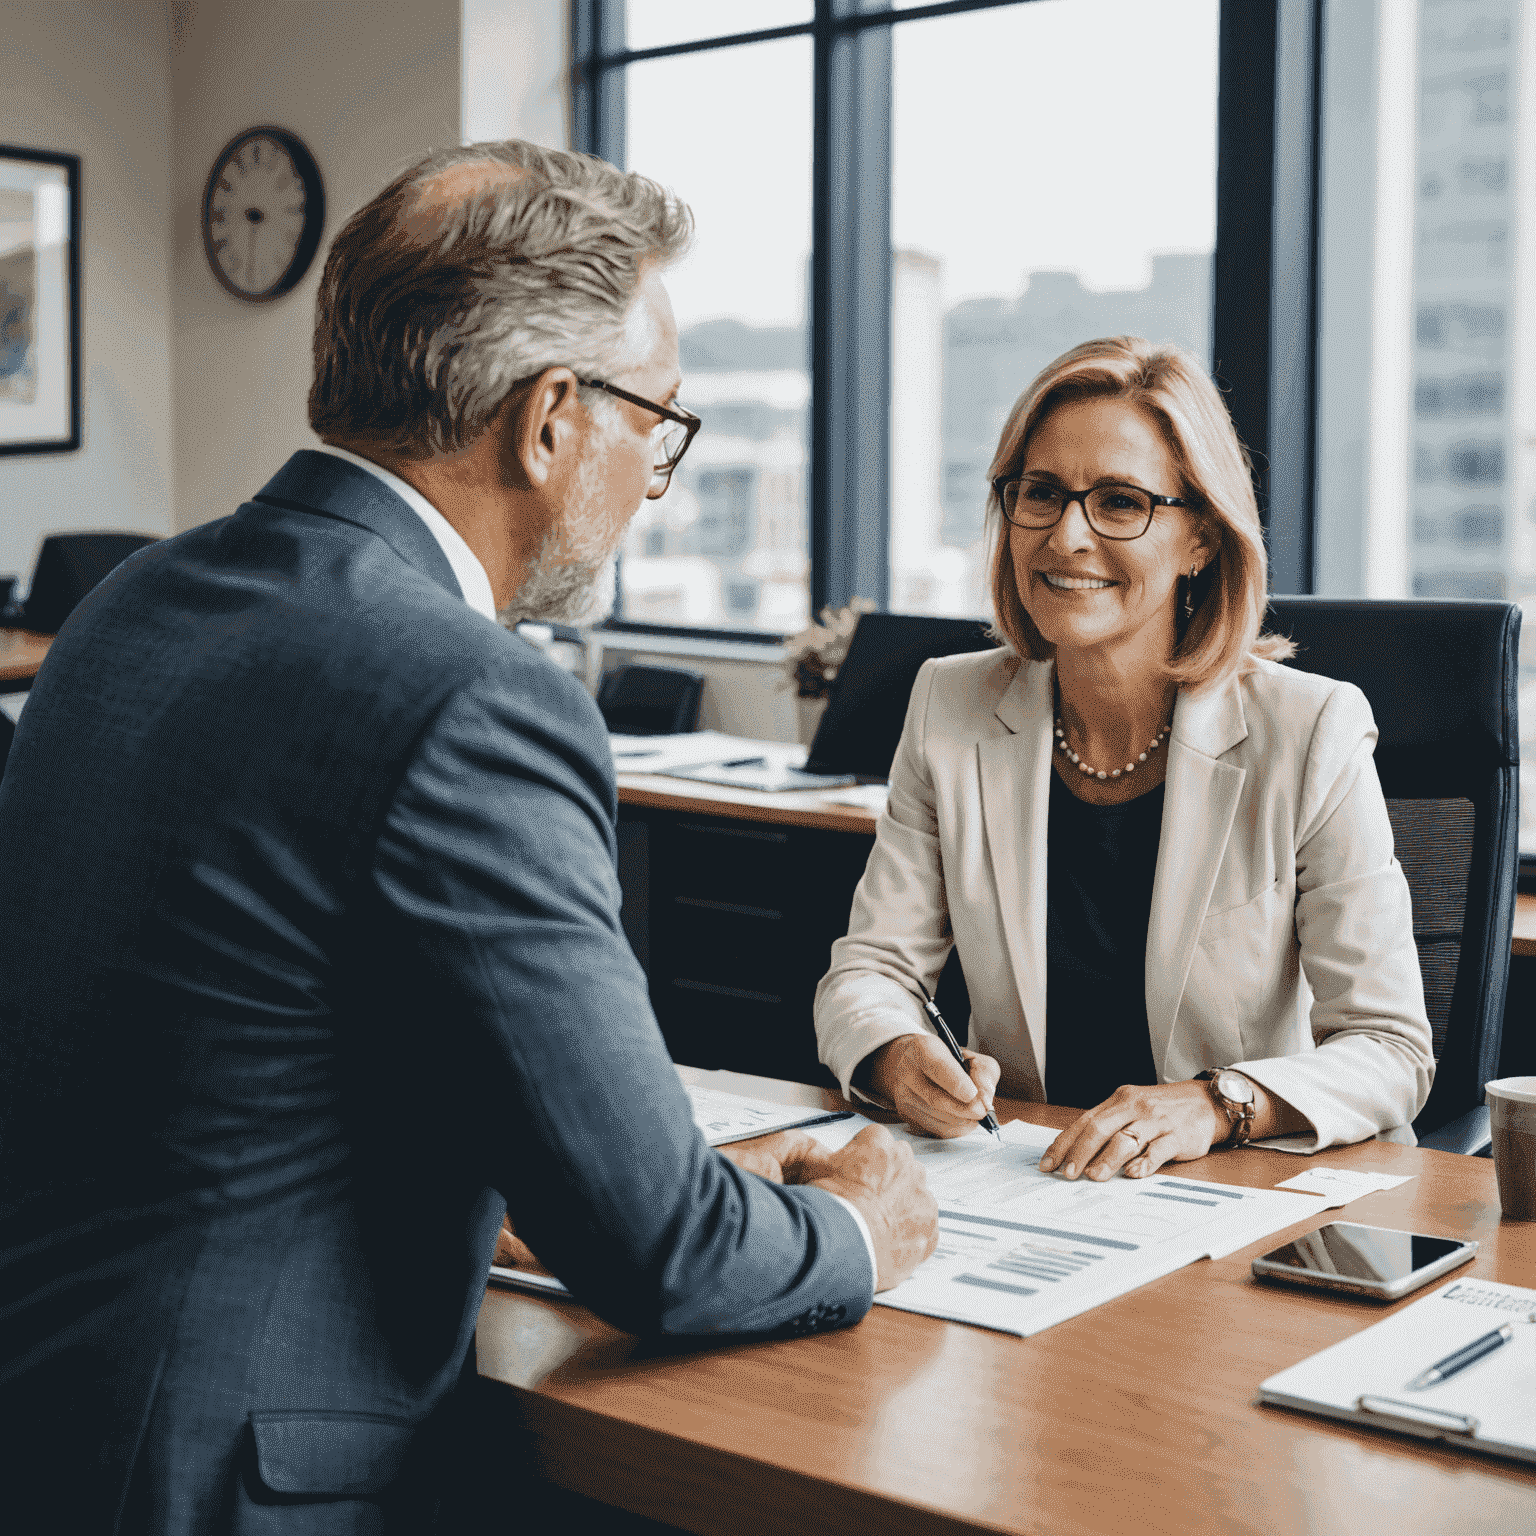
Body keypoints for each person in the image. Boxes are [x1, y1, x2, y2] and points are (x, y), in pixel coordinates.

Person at [0, 141, 936, 1534]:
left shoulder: (136, 602)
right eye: (658, 423)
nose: (653, 477)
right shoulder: (470, 695)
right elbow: (659, 1254)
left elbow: (224, 1046)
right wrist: (864, 1219)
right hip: (239, 1484)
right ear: (551, 418)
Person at [815, 335, 1433, 1181]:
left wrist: (1215, 1104)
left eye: (1120, 502)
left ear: (1203, 540)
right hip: (1025, 1179)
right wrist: (893, 1053)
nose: (1068, 536)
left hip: (1230, 1193)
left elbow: (1392, 1048)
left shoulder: (1311, 730)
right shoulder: (950, 706)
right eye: (1041, 493)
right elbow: (871, 970)